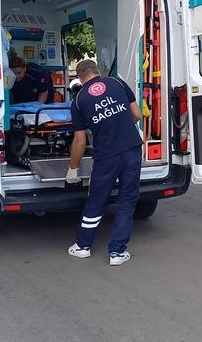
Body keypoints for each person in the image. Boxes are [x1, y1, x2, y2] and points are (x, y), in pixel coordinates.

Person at [65, 59, 143, 266]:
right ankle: (117, 253)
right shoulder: (117, 83)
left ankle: (83, 247)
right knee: (127, 200)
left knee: (96, 200)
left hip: (106, 156)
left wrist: (72, 169)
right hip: (132, 149)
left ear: (80, 79)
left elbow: (80, 142)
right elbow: (136, 114)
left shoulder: (79, 100)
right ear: (97, 72)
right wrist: (120, 127)